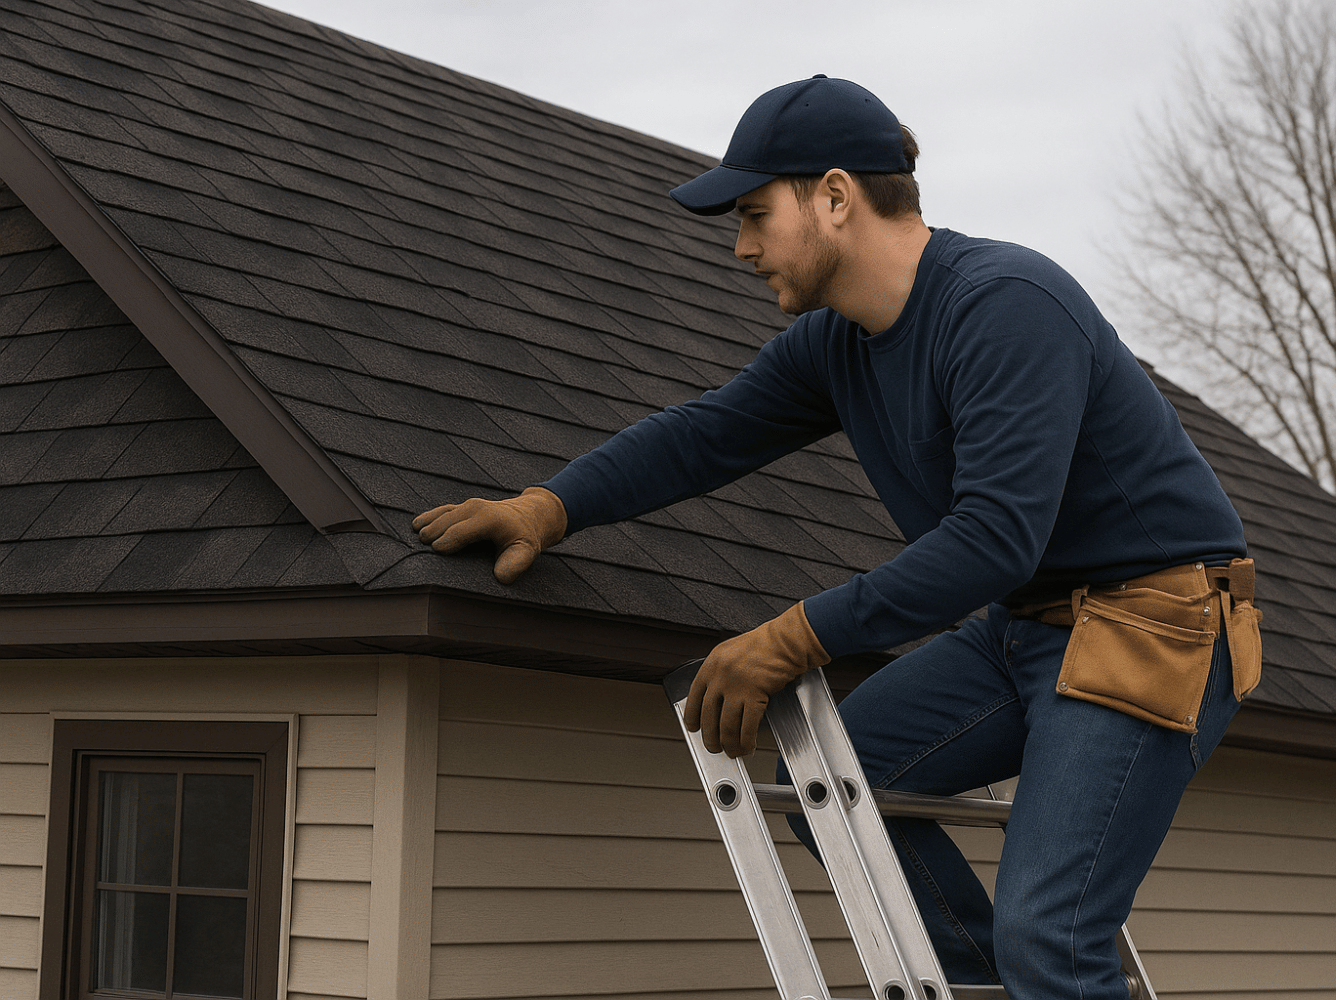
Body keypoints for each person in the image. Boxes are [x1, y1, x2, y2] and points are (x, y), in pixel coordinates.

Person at [413, 76, 1261, 1000]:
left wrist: (790, 639)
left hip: (1157, 622)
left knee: (1049, 934)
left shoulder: (1006, 304)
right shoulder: (838, 344)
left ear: (834, 196)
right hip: (1027, 630)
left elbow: (993, 539)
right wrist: (548, 506)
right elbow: (705, 434)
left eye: (754, 215)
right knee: (835, 791)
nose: (741, 247)